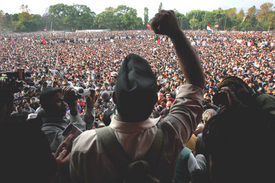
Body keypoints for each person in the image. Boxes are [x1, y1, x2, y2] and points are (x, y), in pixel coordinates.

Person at [70, 10, 204, 182]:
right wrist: (175, 32)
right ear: (156, 101)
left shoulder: (84, 145)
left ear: (114, 99)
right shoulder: (172, 136)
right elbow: (196, 83)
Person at [203, 76, 275, 182]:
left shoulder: (261, 100)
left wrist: (237, 106)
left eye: (235, 88)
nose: (232, 94)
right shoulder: (224, 116)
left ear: (248, 88)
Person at [39, 86, 95, 152]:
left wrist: (89, 107)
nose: (64, 104)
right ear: (45, 105)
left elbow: (86, 126)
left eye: (64, 100)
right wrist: (73, 109)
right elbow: (77, 140)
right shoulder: (46, 132)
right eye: (58, 101)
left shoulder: (66, 117)